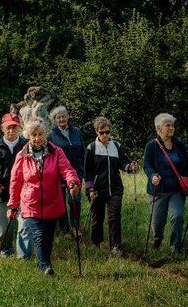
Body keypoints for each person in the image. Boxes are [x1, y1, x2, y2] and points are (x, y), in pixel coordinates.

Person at [7, 119, 81, 275]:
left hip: (52, 202)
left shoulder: (56, 152)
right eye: (33, 135)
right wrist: (12, 205)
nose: (37, 138)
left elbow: (67, 169)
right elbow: (15, 181)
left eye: (40, 134)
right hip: (30, 203)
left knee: (48, 237)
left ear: (45, 134)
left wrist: (72, 182)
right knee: (40, 235)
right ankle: (44, 267)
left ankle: (44, 263)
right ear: (28, 136)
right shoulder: (22, 155)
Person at [84, 117, 139, 255]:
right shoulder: (91, 148)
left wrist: (130, 167)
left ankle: (116, 246)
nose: (105, 135)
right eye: (102, 132)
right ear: (96, 131)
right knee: (98, 217)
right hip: (97, 189)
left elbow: (123, 163)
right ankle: (96, 243)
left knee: (114, 216)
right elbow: (88, 172)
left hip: (115, 188)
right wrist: (90, 189)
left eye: (107, 132)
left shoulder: (116, 146)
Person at [0, 113, 33, 260]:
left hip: (23, 193)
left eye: (14, 127)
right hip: (2, 193)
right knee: (4, 227)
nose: (11, 130)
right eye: (8, 127)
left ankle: (23, 256)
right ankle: (6, 251)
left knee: (24, 225)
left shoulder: (26, 145)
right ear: (2, 128)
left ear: (19, 128)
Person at [143, 113, 188, 254]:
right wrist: (152, 175)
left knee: (177, 217)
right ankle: (157, 239)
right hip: (158, 190)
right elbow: (147, 165)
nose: (171, 128)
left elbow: (187, 166)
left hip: (177, 190)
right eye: (168, 125)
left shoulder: (179, 145)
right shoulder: (151, 146)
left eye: (172, 125)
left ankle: (175, 248)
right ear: (159, 128)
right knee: (158, 223)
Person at [47, 106, 85, 236]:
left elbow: (82, 152)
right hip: (58, 175)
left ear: (68, 117)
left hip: (76, 172)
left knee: (75, 199)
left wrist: (82, 170)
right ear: (55, 120)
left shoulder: (76, 131)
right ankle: (64, 229)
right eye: (59, 117)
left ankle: (75, 227)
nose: (62, 119)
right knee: (61, 202)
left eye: (64, 116)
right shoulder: (51, 136)